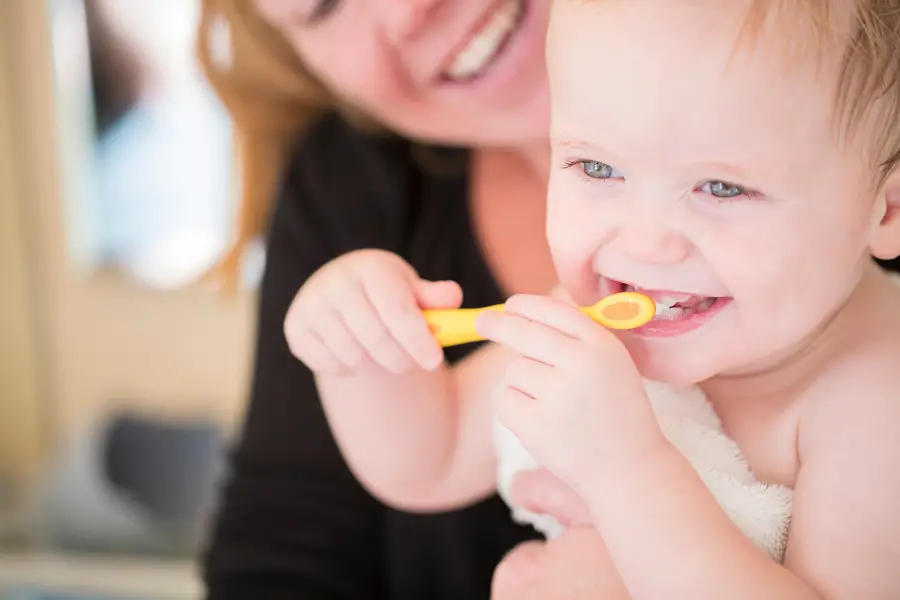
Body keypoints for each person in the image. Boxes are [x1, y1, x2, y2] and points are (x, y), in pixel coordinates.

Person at [283, 0, 900, 598]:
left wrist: (626, 474)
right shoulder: (605, 319)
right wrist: (359, 349)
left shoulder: (876, 401)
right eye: (597, 169)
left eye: (722, 187)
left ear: (887, 208)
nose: (643, 244)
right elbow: (433, 459)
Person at [196, 0, 604, 598]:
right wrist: (356, 356)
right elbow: (288, 548)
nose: (411, 9)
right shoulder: (345, 186)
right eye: (323, 5)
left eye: (721, 188)